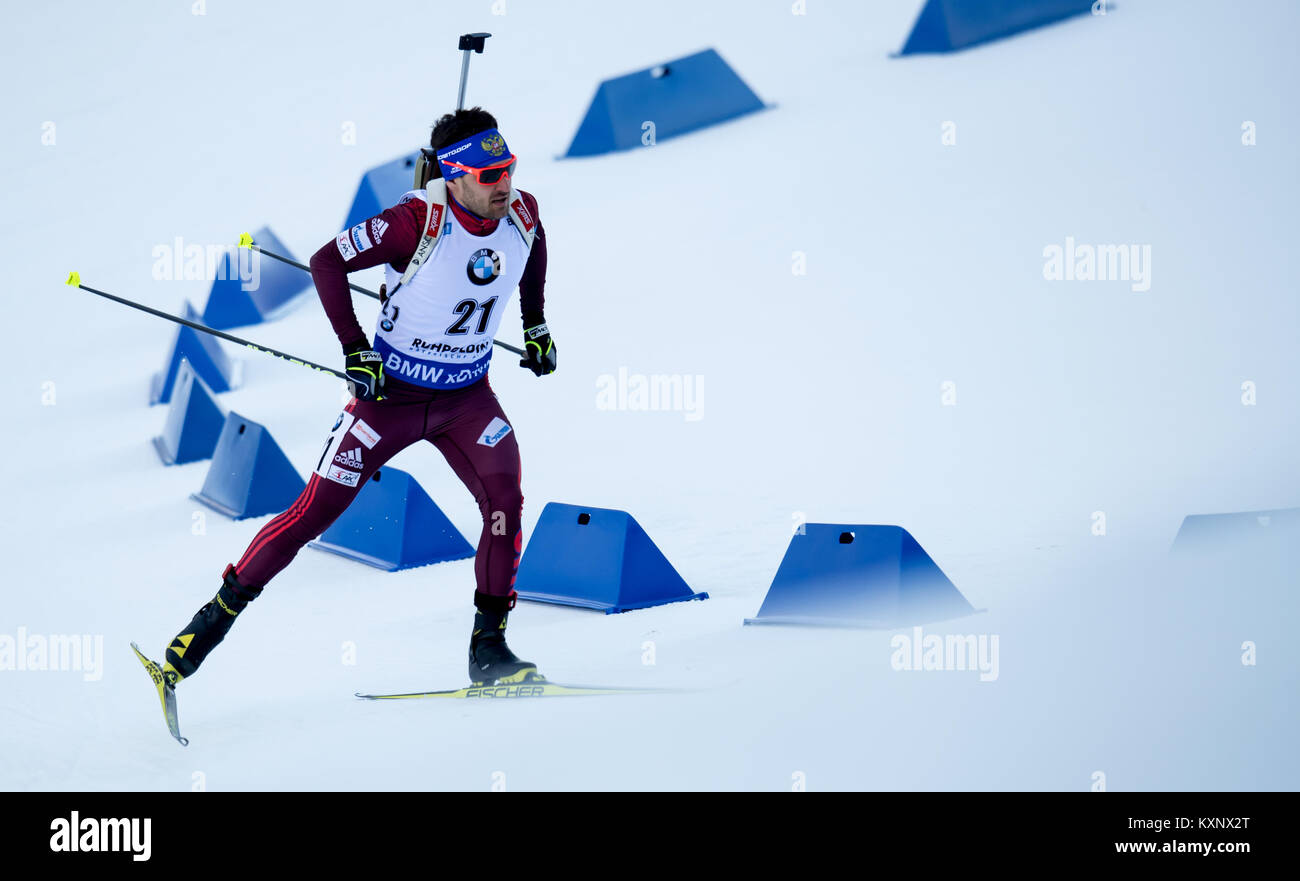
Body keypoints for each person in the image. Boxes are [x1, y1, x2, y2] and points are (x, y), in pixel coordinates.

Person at [157, 107, 555, 689]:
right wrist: (354, 349)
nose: (504, 183)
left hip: (467, 399)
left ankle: (488, 649)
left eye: (508, 168)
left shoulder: (522, 213)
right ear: (455, 174)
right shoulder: (413, 220)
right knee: (310, 514)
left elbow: (532, 255)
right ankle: (205, 628)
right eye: (489, 173)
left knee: (505, 503)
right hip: (388, 400)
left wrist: (536, 324)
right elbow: (326, 262)